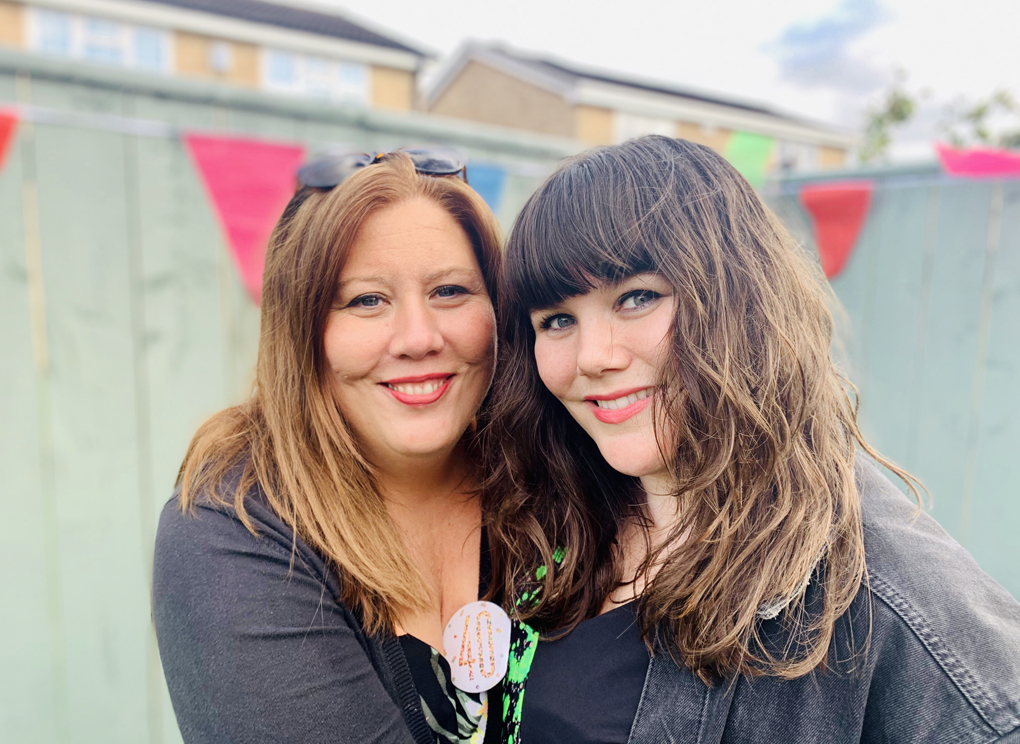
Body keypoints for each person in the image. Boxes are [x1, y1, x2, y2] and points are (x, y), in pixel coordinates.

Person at [485, 135, 1020, 743]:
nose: (593, 357)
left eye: (636, 298)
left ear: (739, 297)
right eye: (557, 320)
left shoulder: (883, 599)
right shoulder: (554, 519)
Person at [153, 149, 503, 744]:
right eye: (367, 300)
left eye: (449, 291)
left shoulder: (554, 482)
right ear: (302, 330)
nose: (419, 338)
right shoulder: (234, 531)